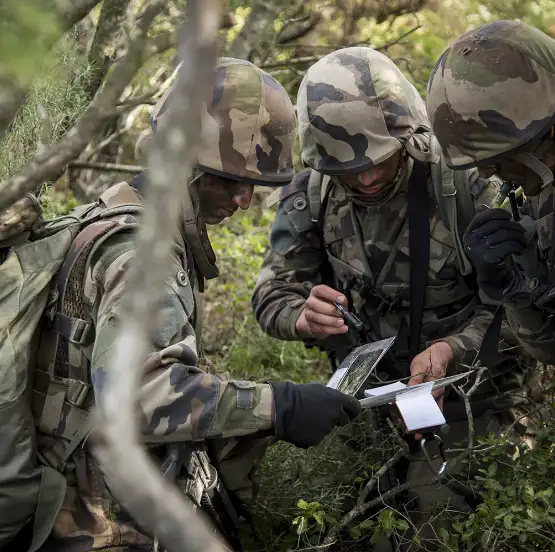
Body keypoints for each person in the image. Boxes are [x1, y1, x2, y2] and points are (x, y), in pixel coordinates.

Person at [16, 57, 360, 552]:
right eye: (231, 181)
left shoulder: (112, 211)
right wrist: (278, 405)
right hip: (95, 519)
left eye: (253, 186)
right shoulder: (143, 256)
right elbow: (139, 400)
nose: (244, 201)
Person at [251, 46, 534, 550]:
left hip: (476, 395)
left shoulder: (466, 184)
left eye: (377, 160)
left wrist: (453, 350)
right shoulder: (313, 193)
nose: (363, 178)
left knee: (440, 522)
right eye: (346, 167)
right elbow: (272, 293)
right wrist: (302, 316)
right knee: (339, 524)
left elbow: (519, 306)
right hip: (369, 406)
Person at [425, 20, 555, 365]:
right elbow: (549, 350)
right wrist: (516, 293)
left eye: (498, 158)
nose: (484, 172)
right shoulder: (537, 195)